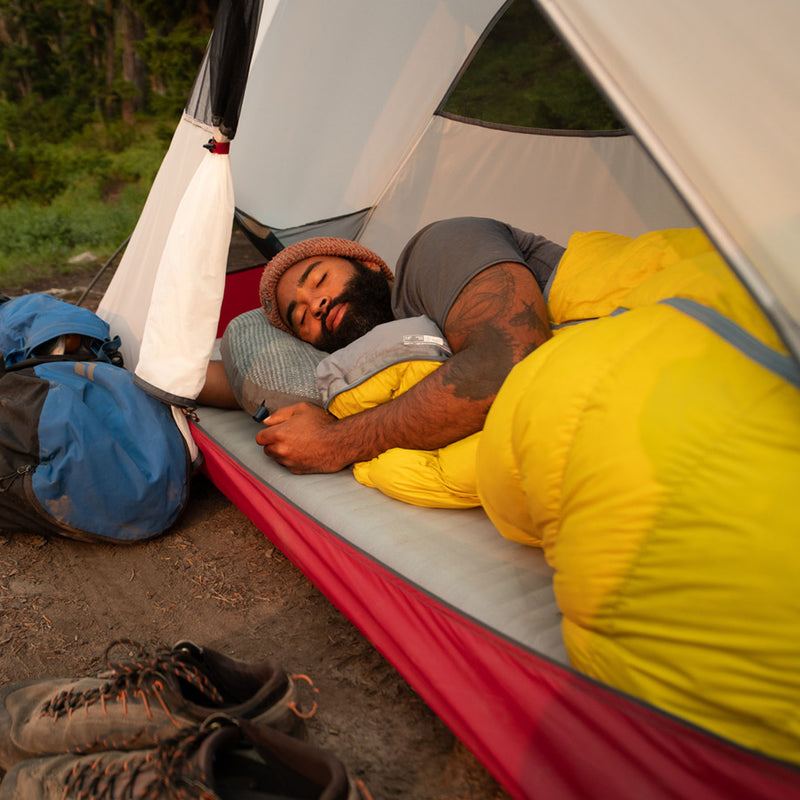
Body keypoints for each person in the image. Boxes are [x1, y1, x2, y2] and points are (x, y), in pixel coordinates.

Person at [202, 217, 564, 473]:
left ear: (368, 264)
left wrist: (334, 441)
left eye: (320, 278)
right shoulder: (359, 371)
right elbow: (234, 382)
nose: (316, 304)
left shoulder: (435, 249)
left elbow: (506, 362)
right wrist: (167, 374)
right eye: (300, 318)